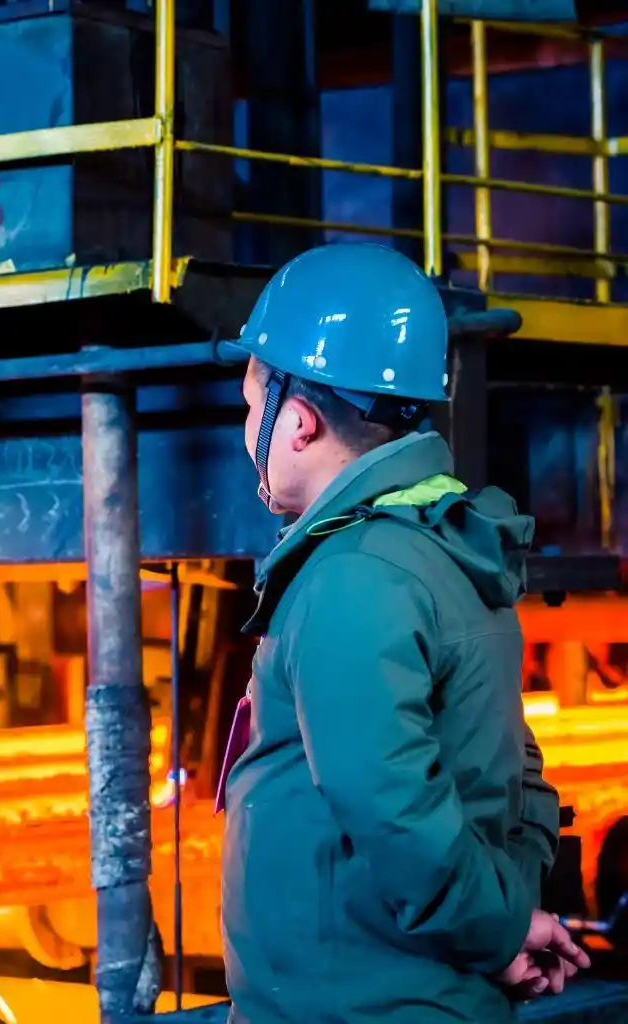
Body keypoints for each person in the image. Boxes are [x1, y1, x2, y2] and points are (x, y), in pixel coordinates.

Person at [217, 243, 591, 1024]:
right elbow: (515, 768)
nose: (246, 427)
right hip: (416, 990)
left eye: (251, 405)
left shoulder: (353, 575)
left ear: (297, 422)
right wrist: (508, 917)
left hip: (359, 1003)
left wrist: (498, 931)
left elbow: (392, 806)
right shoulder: (443, 544)